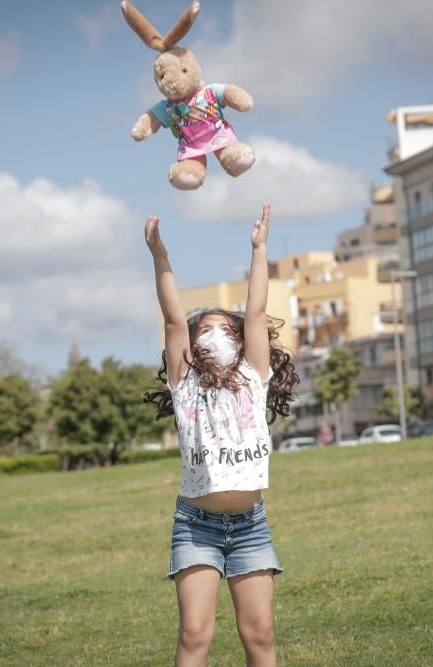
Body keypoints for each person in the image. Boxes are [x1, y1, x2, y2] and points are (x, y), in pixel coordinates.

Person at [143, 202, 298, 667]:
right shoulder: (184, 381)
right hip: (196, 526)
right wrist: (159, 255)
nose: (215, 333)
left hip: (251, 526)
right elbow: (173, 318)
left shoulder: (254, 374)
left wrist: (259, 249)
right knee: (194, 635)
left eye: (223, 328)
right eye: (204, 329)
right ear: (192, 344)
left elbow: (255, 311)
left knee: (261, 635)